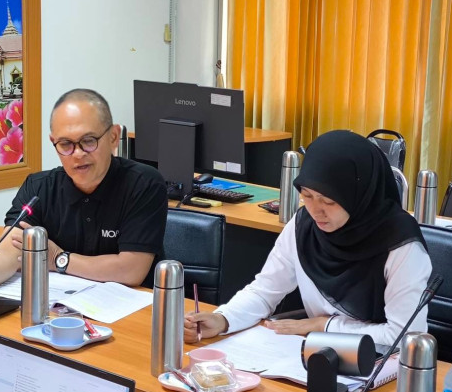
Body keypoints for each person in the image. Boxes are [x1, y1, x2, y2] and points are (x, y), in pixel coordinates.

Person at [184, 130, 432, 346]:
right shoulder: (304, 225)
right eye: (307, 195)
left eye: (329, 201)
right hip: (315, 354)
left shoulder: (401, 244)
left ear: (360, 196)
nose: (315, 211)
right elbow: (264, 291)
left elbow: (405, 336)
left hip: (380, 366)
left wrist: (323, 325)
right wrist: (223, 319)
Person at [0, 88, 168, 295]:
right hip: (61, 307)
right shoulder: (38, 188)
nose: (78, 153)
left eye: (88, 141)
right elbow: (9, 251)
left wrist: (59, 259)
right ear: (54, 142)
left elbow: (131, 270)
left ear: (113, 137)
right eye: (65, 144)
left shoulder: (143, 184)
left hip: (131, 309)